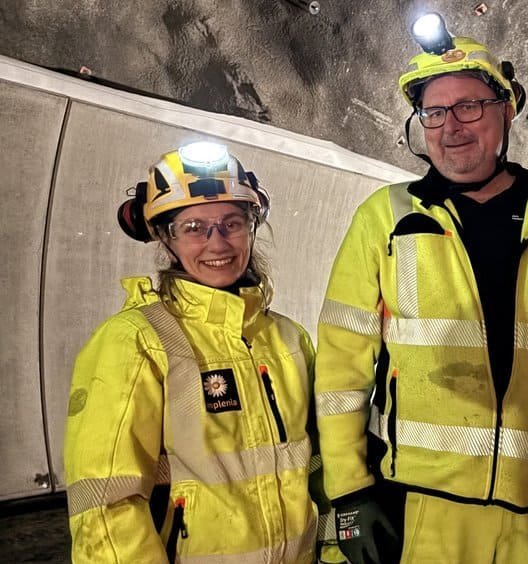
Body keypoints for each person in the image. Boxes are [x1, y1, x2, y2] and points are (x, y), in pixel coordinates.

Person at [314, 15, 528, 564]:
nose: (450, 126)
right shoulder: (386, 221)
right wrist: (350, 491)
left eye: (469, 107)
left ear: (507, 110)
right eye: (434, 112)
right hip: (426, 516)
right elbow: (341, 372)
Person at [63, 143, 342, 563]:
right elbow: (107, 508)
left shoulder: (288, 339)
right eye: (194, 227)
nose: (218, 243)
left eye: (232, 223)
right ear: (165, 237)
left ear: (252, 227)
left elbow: (319, 470)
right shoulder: (135, 342)